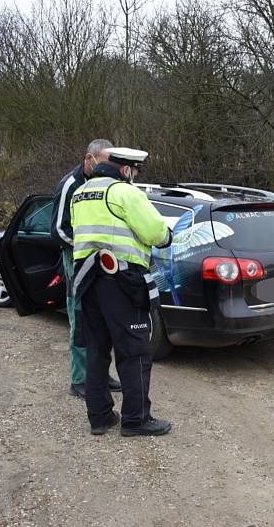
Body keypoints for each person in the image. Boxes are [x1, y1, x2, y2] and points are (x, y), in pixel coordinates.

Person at [70, 147, 173, 436]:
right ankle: (136, 419)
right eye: (135, 172)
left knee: (96, 349)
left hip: (88, 280)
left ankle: (100, 416)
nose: (134, 176)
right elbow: (155, 232)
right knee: (135, 352)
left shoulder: (81, 193)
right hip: (122, 280)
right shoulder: (124, 193)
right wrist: (167, 236)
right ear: (126, 170)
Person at [50, 139, 122, 398]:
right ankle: (79, 379)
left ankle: (101, 372)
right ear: (89, 159)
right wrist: (87, 248)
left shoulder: (109, 185)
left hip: (103, 262)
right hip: (78, 260)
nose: (108, 169)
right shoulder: (70, 185)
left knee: (102, 319)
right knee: (80, 319)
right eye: (104, 163)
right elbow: (58, 230)